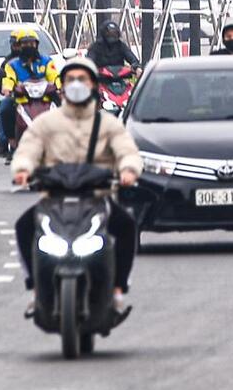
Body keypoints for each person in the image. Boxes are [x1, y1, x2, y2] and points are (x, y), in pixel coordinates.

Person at [11, 55, 141, 314]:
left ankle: (117, 289)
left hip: (97, 199)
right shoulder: (46, 123)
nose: (76, 84)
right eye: (71, 80)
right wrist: (23, 170)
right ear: (61, 86)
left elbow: (127, 150)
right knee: (24, 226)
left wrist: (128, 170)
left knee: (127, 226)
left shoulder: (107, 123)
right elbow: (28, 148)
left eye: (82, 79)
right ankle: (36, 288)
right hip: (53, 201)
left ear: (93, 84)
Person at [0, 28, 55, 159]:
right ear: (19, 45)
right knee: (5, 109)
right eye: (25, 44)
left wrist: (61, 87)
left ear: (37, 45)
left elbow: (55, 76)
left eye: (32, 43)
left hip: (44, 98)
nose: (29, 46)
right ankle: (12, 143)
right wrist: (8, 89)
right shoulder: (12, 64)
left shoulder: (46, 61)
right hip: (21, 99)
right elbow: (8, 79)